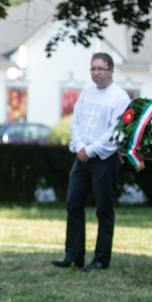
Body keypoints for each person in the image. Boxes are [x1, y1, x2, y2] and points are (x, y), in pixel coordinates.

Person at [52, 52, 131, 271]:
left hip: (104, 159)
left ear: (111, 71)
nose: (96, 73)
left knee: (103, 209)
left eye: (100, 69)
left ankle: (100, 260)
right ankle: (73, 255)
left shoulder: (120, 97)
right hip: (82, 157)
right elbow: (75, 123)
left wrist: (91, 150)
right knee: (73, 204)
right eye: (93, 69)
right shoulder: (86, 94)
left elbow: (115, 132)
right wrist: (80, 147)